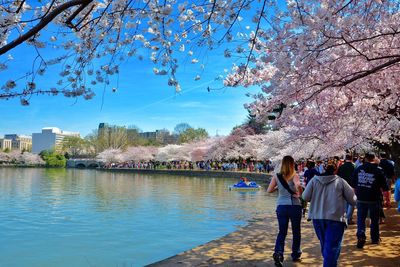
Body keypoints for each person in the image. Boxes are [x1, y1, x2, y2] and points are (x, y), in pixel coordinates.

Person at [302, 163, 356, 267]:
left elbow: (305, 197)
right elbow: (353, 200)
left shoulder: (314, 180)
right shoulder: (341, 182)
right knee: (332, 247)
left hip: (318, 218)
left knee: (326, 246)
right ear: (336, 171)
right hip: (336, 218)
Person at [267, 155, 303, 266]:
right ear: (292, 164)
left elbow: (269, 190)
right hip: (294, 206)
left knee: (282, 232)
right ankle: (295, 254)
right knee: (296, 231)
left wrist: (279, 187)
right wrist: (299, 193)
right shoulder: (295, 175)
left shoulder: (276, 176)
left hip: (281, 206)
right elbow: (298, 186)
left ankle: (278, 253)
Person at [352, 152, 389, 248]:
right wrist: (386, 199)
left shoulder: (358, 169)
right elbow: (385, 187)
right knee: (374, 219)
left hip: (361, 198)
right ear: (374, 158)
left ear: (366, 159)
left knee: (361, 219)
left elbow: (353, 185)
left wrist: (356, 195)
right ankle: (375, 238)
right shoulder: (379, 170)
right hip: (374, 198)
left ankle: (361, 236)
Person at [337, 154, 356, 224]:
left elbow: (338, 176)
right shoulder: (354, 166)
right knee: (351, 202)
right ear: (351, 158)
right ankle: (348, 218)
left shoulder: (341, 166)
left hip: (342, 186)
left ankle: (344, 217)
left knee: (344, 202)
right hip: (351, 186)